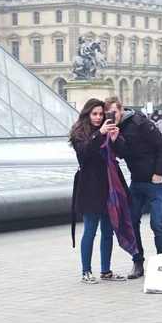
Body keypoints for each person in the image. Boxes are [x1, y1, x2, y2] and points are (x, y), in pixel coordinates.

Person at [104, 96, 162, 280]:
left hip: (156, 180)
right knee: (132, 222)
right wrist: (115, 140)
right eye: (107, 114)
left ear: (121, 109)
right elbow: (121, 155)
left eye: (114, 113)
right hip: (136, 181)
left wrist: (158, 172)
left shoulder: (139, 122)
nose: (111, 117)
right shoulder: (112, 129)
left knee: (157, 223)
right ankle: (138, 261)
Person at [70, 98, 133, 284]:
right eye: (95, 114)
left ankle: (106, 270)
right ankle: (86, 271)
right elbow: (85, 153)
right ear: (87, 114)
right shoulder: (79, 133)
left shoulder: (108, 130)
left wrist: (115, 139)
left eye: (101, 114)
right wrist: (100, 134)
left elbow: (122, 153)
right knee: (90, 230)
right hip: (90, 186)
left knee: (108, 230)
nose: (98, 118)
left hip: (110, 185)